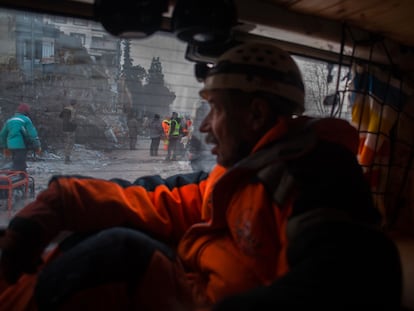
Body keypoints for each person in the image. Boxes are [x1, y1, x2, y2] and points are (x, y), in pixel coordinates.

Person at [0, 42, 402, 311]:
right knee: (90, 236)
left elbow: (360, 275)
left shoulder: (316, 177)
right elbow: (164, 200)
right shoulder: (244, 173)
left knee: (114, 254)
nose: (205, 126)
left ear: (256, 116)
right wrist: (65, 199)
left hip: (209, 301)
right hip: (196, 283)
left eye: (216, 110)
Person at [0, 103, 41, 171]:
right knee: (20, 166)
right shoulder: (26, 120)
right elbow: (32, 134)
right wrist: (37, 146)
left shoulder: (10, 120)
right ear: (26, 112)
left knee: (15, 163)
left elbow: (2, 135)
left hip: (11, 146)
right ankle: (20, 178)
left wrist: (5, 147)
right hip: (21, 145)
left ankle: (13, 178)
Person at [59, 99, 78, 164]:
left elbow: (60, 116)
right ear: (75, 104)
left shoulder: (65, 109)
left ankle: (66, 157)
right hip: (71, 129)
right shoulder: (73, 110)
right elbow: (72, 120)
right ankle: (67, 158)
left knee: (66, 143)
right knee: (70, 143)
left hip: (64, 128)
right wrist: (75, 125)